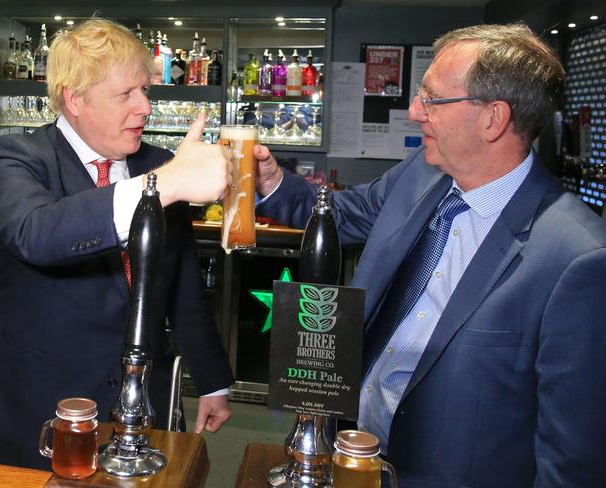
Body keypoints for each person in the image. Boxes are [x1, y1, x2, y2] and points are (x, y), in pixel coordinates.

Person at [255, 23, 606, 487]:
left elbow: (571, 461)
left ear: (493, 119)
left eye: (433, 99)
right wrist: (269, 179)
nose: (415, 111)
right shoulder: (421, 174)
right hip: (352, 453)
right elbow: (342, 214)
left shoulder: (578, 259)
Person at [0, 18, 234, 470]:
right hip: (42, 418)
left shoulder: (159, 165)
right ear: (75, 99)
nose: (145, 107)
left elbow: (182, 288)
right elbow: (38, 234)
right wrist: (163, 183)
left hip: (145, 415)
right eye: (126, 94)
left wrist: (212, 381)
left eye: (146, 91)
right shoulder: (15, 157)